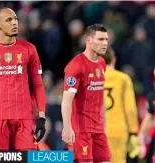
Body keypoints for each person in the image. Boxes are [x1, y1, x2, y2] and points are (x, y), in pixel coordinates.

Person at [0, 7, 46, 150]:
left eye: (16, 19)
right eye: (9, 20)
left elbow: (38, 84)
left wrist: (42, 116)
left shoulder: (29, 49)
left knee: (30, 159)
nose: (14, 23)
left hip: (24, 116)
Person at [61, 24, 110, 163]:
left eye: (106, 39)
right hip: (81, 130)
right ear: (88, 40)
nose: (105, 43)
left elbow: (100, 96)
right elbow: (66, 100)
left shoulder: (101, 63)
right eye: (100, 39)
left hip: (98, 129)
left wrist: (104, 126)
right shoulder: (75, 66)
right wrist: (67, 128)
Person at [101, 48, 139, 163]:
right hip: (118, 130)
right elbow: (130, 109)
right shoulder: (124, 79)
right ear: (114, 60)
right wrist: (133, 132)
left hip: (97, 131)